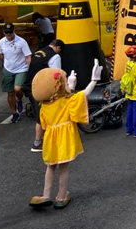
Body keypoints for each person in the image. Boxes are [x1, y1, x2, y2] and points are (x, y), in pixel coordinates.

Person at [29, 59, 102, 209]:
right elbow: (83, 95)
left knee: (50, 167)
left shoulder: (44, 105)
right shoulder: (67, 101)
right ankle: (61, 196)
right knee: (63, 167)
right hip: (64, 138)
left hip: (50, 138)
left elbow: (44, 124)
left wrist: (70, 87)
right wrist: (94, 80)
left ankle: (45, 195)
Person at [25, 39, 64, 152]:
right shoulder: (55, 56)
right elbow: (57, 75)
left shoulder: (38, 52)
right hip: (42, 90)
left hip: (30, 87)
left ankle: (46, 139)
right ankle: (37, 143)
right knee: (42, 116)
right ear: (58, 48)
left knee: (41, 115)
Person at [0, 23, 31, 124]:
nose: (9, 34)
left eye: (10, 32)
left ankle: (19, 100)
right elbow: (1, 54)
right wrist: (3, 66)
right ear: (3, 32)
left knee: (17, 89)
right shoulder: (1, 42)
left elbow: (28, 56)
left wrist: (29, 69)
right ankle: (14, 113)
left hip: (21, 68)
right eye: (6, 32)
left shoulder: (21, 42)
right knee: (10, 92)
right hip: (8, 69)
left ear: (14, 31)